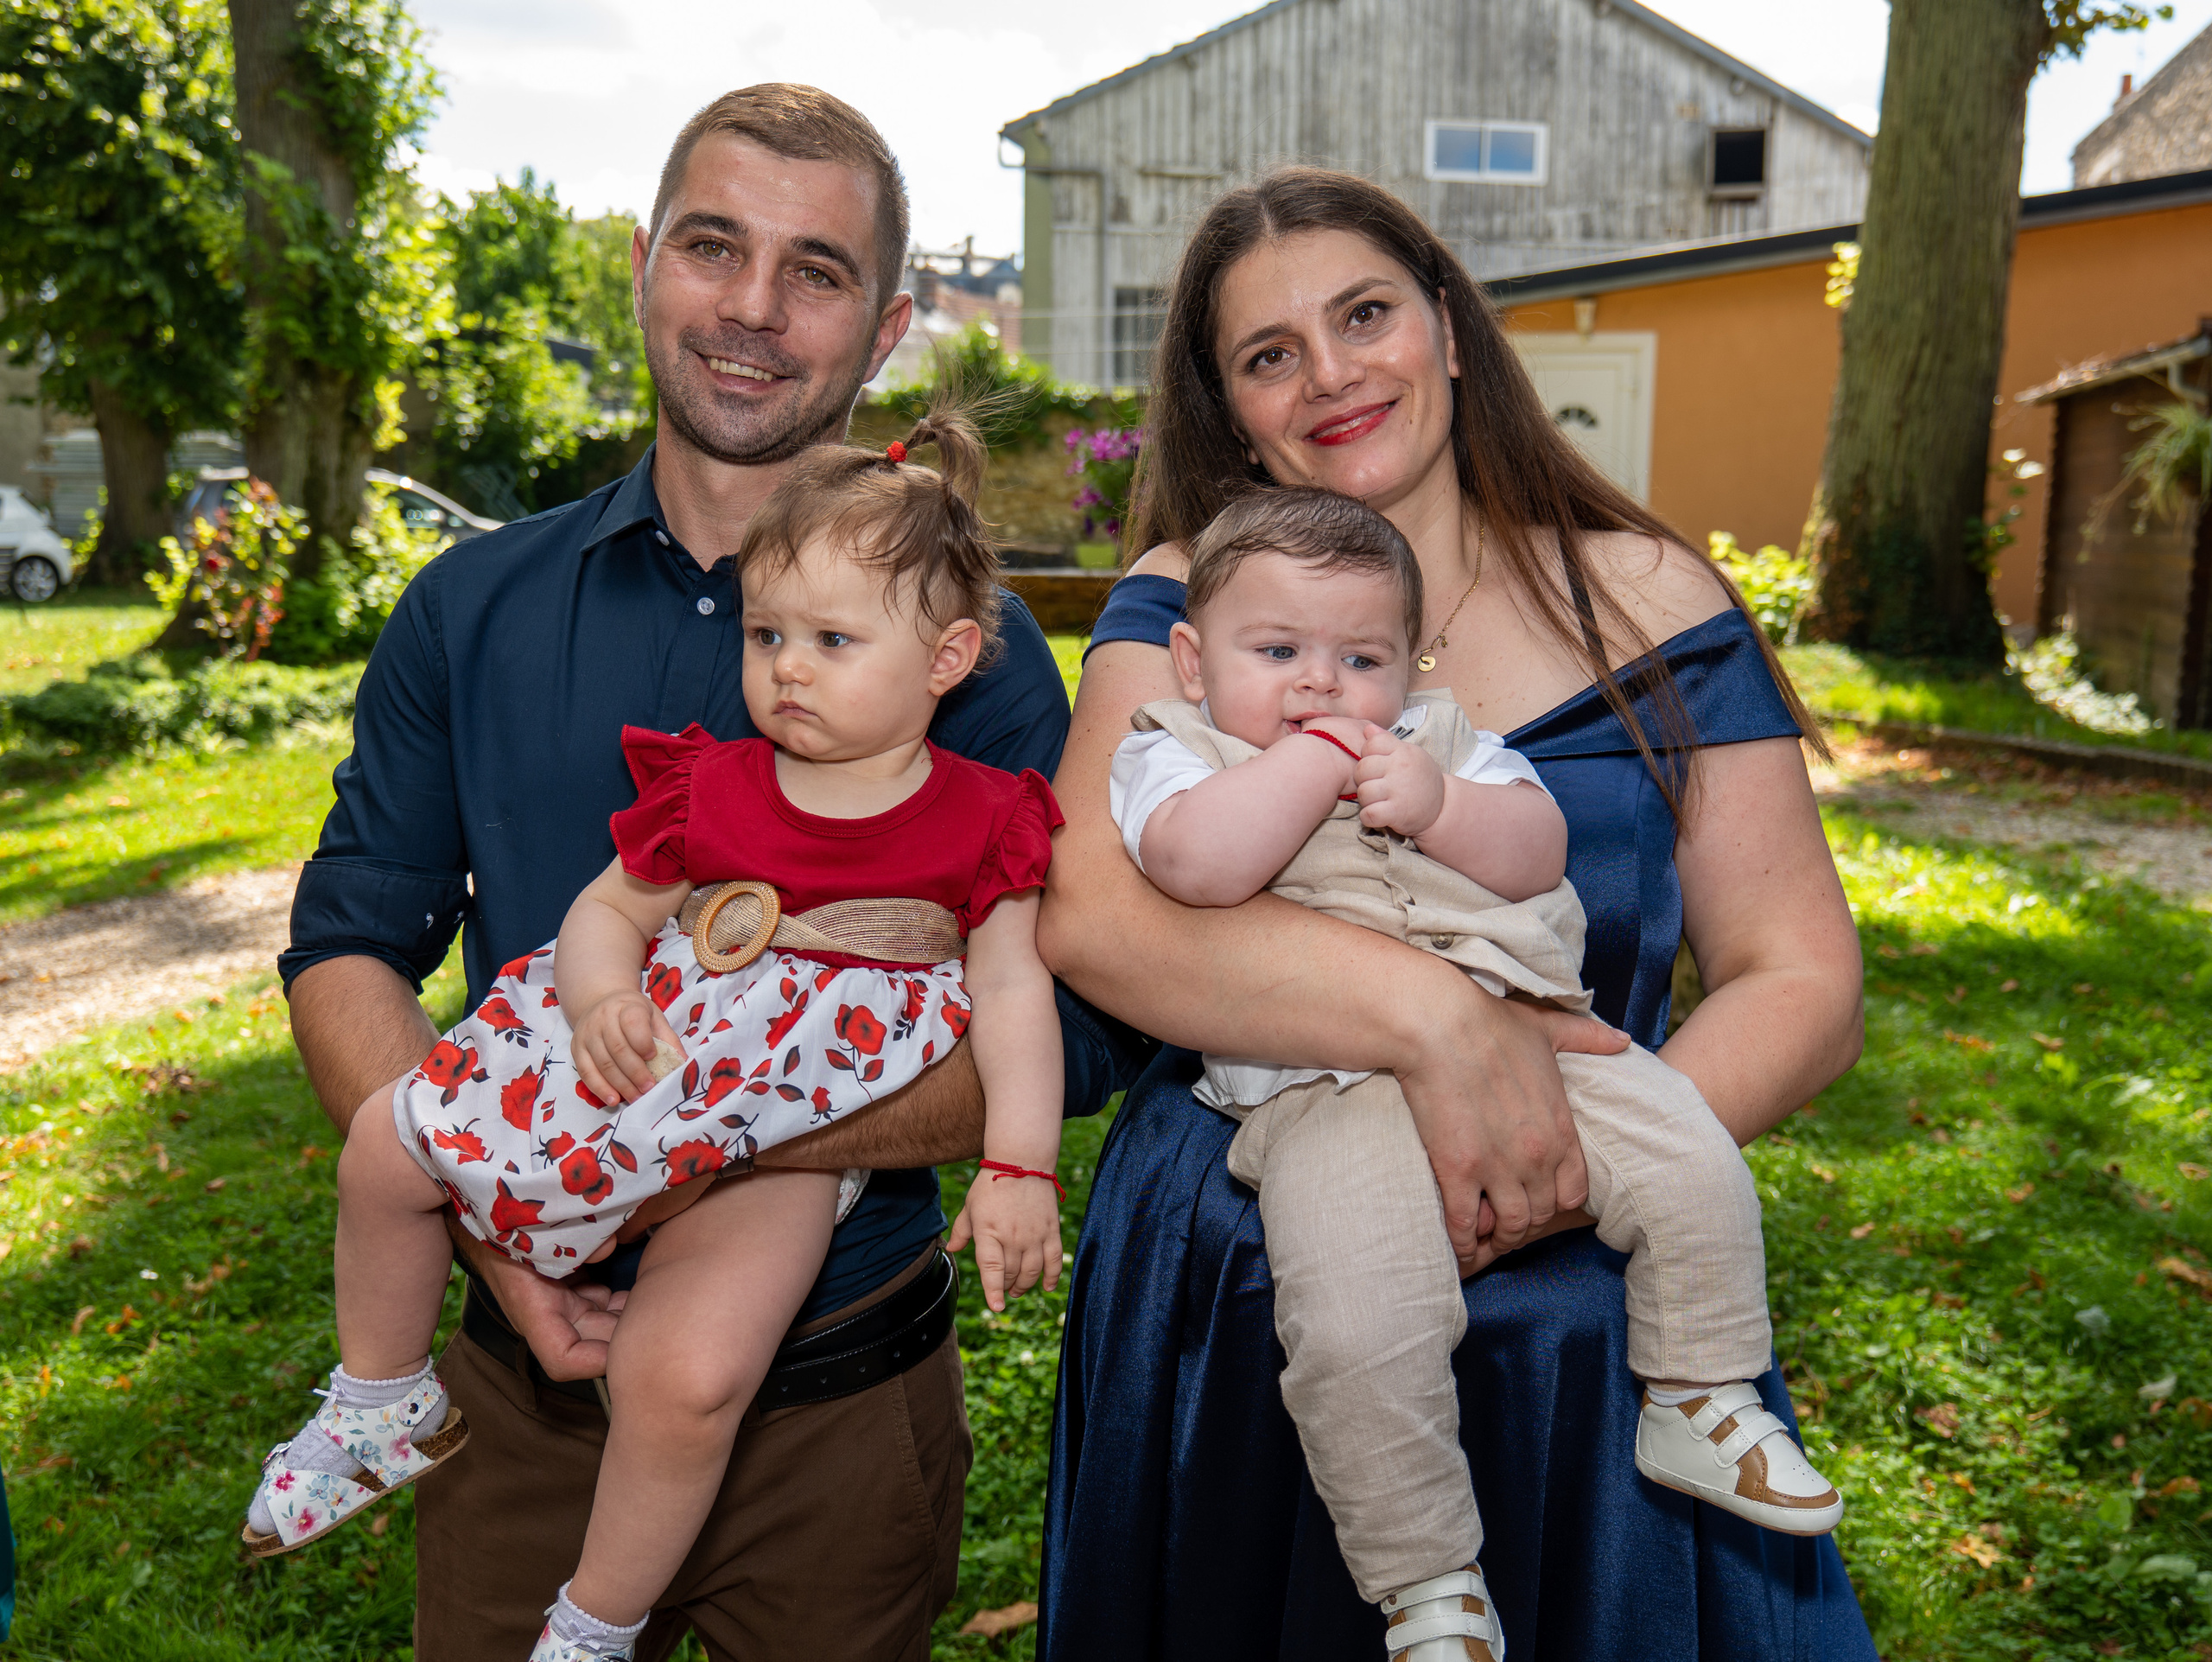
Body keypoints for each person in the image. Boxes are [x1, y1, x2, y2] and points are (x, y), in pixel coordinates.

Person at [279, 86, 1144, 1659]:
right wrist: (498, 1223)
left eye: (814, 272)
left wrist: (703, 1148)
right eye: (714, 246)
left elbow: (1077, 1020)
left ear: (885, 331)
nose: (753, 307)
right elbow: (349, 945)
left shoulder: (983, 659)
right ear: (642, 263)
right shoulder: (467, 611)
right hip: (518, 1398)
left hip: (841, 1407)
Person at [1036, 166, 1873, 1659]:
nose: (1333, 374)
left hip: (1589, 1299)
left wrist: (1552, 1169)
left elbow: (1799, 974)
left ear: (1449, 327)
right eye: (1269, 353)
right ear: (1232, 413)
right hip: (1255, 1263)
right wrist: (1440, 1028)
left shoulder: (1653, 595)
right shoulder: (1183, 603)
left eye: (1365, 316)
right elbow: (1101, 924)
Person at [1108, 487, 1841, 1662]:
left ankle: (1700, 1394)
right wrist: (1310, 768)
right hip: (1322, 1091)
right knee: (1359, 1317)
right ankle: (1427, 1580)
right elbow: (1197, 867)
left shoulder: (1444, 745)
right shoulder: (1173, 758)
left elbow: (1537, 848)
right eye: (1278, 651)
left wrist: (1441, 802)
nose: (1318, 683)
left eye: (1360, 659)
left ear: (1409, 667)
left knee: (1685, 1152)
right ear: (1193, 663)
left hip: (1530, 1040)